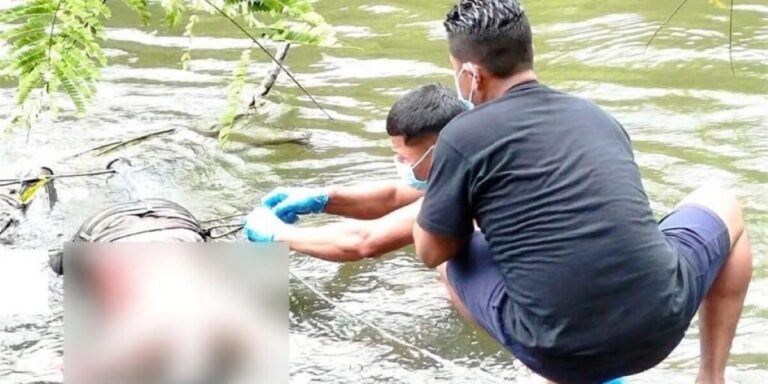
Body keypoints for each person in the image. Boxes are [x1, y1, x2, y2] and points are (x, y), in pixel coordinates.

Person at [412, 1, 752, 383]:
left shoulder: (462, 135)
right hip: (661, 325)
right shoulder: (596, 116)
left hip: (563, 354)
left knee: (454, 259)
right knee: (723, 201)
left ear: (471, 75)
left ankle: (552, 367)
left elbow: (431, 251)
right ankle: (711, 376)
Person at [243, 84, 467, 261]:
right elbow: (395, 196)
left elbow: (364, 242)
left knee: (446, 262)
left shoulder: (464, 187)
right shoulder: (465, 154)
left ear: (438, 151)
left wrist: (278, 235)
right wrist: (324, 198)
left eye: (405, 157)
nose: (399, 163)